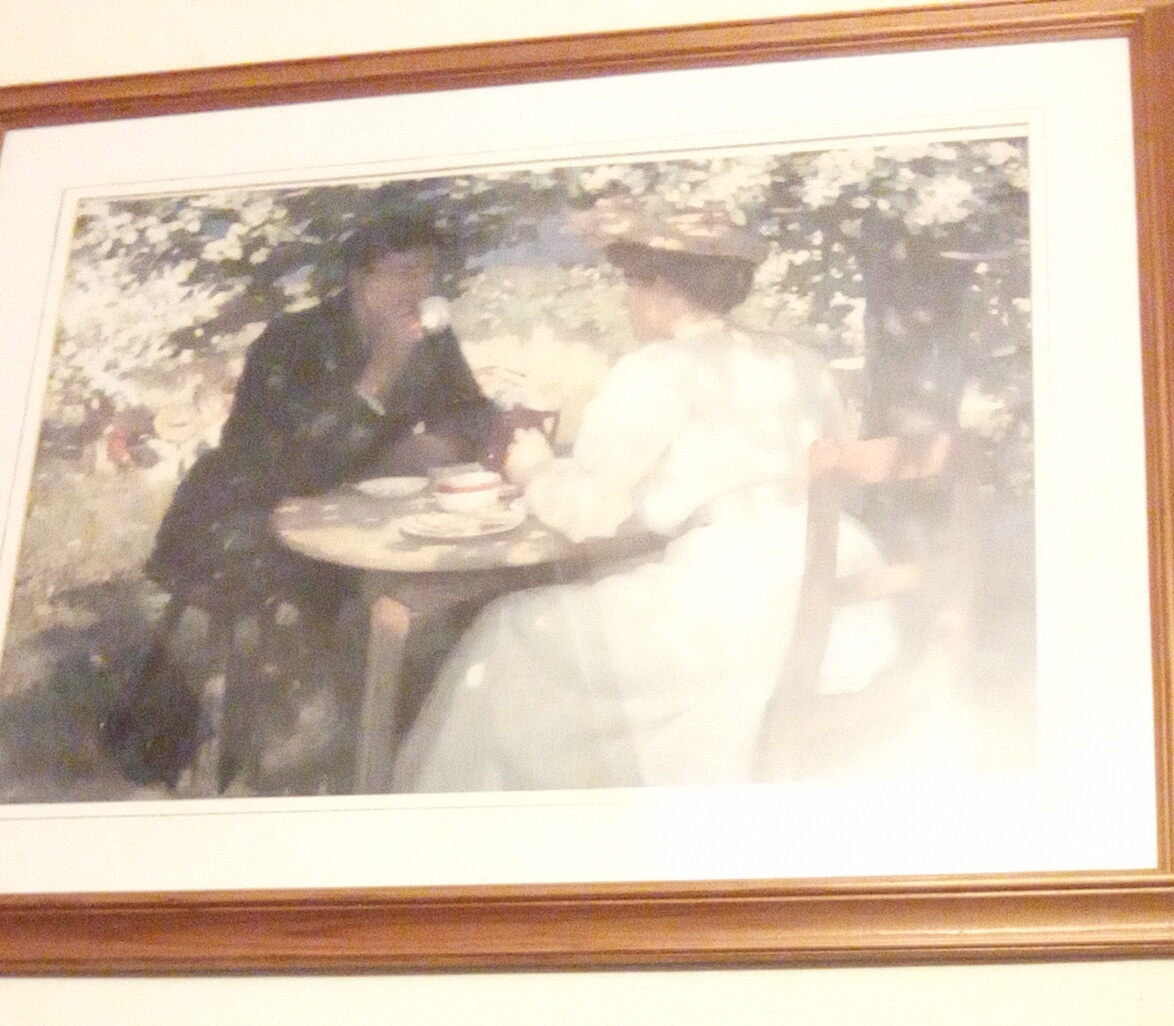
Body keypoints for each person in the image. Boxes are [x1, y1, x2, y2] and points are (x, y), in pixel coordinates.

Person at [392, 220, 878, 791]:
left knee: (510, 629)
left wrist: (535, 469)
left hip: (733, 611)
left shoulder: (656, 370)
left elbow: (588, 511)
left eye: (631, 283)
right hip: (840, 600)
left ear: (663, 288)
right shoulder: (798, 360)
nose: (625, 300)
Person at [106, 209, 499, 787]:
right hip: (244, 514)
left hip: (355, 512)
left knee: (436, 596)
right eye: (404, 273)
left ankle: (405, 738)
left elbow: (473, 410)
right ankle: (275, 748)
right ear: (360, 278)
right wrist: (380, 374)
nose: (420, 288)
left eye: (427, 272)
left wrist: (443, 441)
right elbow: (287, 466)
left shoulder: (431, 338)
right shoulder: (291, 341)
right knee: (315, 608)